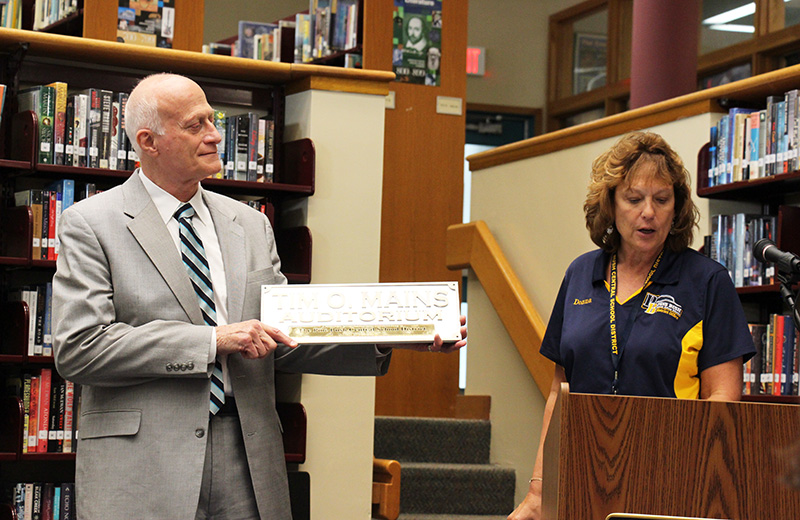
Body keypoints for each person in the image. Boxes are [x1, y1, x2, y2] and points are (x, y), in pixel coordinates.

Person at [52, 73, 467, 520]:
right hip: (142, 464)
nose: (215, 135)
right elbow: (80, 349)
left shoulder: (250, 225)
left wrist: (392, 333)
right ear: (149, 141)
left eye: (214, 120)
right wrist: (212, 341)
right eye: (196, 125)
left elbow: (283, 335)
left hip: (247, 458)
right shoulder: (90, 223)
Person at [507, 131, 755, 520]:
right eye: (634, 198)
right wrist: (539, 490)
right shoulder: (579, 274)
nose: (648, 212)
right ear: (610, 204)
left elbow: (723, 401)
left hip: (671, 479)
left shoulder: (707, 281)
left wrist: (701, 487)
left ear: (677, 209)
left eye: (661, 199)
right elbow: (559, 392)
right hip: (581, 475)